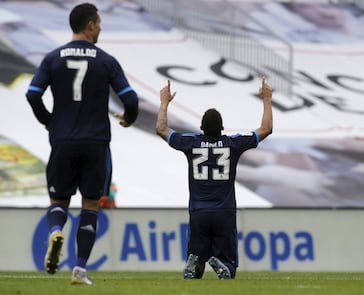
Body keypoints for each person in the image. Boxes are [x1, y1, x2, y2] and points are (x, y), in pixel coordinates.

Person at [26, 3, 139, 285]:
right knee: (90, 205)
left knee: (58, 200)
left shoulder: (52, 58)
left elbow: (32, 94)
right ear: (90, 25)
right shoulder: (106, 61)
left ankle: (55, 231)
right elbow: (131, 100)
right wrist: (128, 118)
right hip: (95, 142)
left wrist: (49, 121)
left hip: (63, 140)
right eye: (98, 23)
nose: (100, 28)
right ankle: (79, 270)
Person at [156, 78, 273, 279]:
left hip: (198, 211)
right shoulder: (232, 144)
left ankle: (196, 262)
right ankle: (222, 264)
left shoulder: (192, 143)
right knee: (230, 268)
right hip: (224, 211)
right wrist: (267, 99)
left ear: (201, 127)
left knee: (196, 261)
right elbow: (265, 129)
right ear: (222, 128)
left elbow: (161, 129)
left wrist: (164, 103)